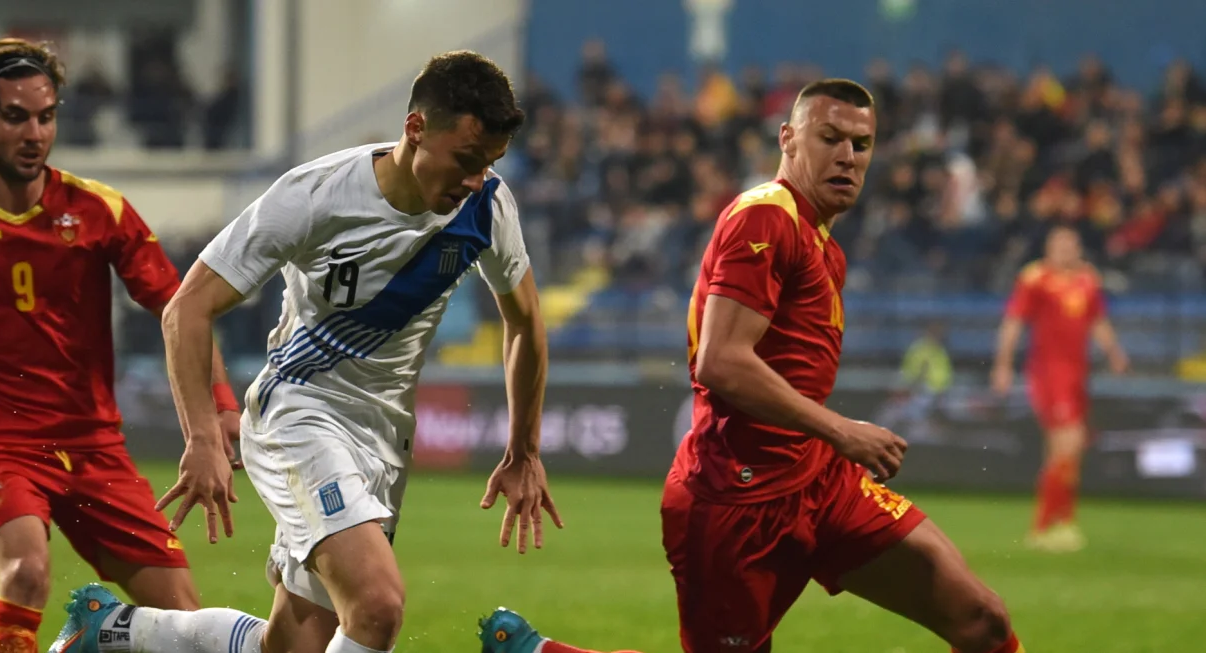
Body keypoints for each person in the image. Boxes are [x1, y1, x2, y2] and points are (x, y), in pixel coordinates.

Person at [478, 79, 1024, 653]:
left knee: (981, 620)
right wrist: (842, 431)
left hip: (818, 480)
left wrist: (830, 443)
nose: (847, 156)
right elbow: (720, 362)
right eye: (829, 138)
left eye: (861, 145)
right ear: (788, 139)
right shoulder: (765, 220)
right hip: (737, 500)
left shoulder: (823, 244)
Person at [48, 50, 561, 653]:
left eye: (490, 164)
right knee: (376, 608)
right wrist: (203, 439)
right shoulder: (316, 194)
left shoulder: (487, 208)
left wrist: (524, 449)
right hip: (299, 412)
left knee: (292, 646)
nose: (477, 180)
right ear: (416, 128)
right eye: (467, 161)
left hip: (384, 436)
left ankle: (110, 631)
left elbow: (524, 323)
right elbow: (186, 307)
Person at [0, 38, 241, 653]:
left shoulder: (98, 211)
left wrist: (223, 402)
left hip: (94, 446)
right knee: (27, 571)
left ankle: (94, 638)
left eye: (46, 115)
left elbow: (182, 308)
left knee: (182, 620)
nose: (35, 132)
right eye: (16, 116)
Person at [992, 225, 1127, 552]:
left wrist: (1114, 353)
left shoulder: (1087, 279)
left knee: (1066, 450)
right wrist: (1003, 365)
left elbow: (1097, 320)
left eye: (1071, 243)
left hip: (1078, 374)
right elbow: (1013, 322)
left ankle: (1061, 522)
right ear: (1049, 247)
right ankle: (1043, 526)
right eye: (1059, 243)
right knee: (1068, 442)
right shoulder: (1035, 278)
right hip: (1049, 374)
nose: (1065, 250)